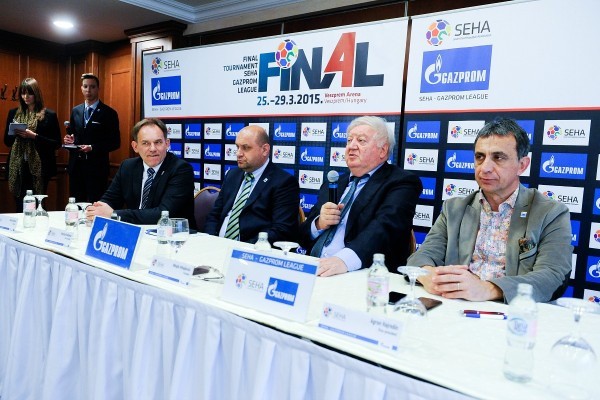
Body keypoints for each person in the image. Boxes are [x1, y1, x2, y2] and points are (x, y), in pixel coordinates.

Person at [408, 117, 572, 303]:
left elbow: (552, 275)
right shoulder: (454, 208)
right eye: (480, 157)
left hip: (512, 311)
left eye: (498, 157)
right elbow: (421, 256)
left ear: (522, 165)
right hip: (454, 307)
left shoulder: (550, 213)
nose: (485, 168)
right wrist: (429, 276)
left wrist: (488, 289)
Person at [299, 116, 422, 277]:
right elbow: (301, 236)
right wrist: (319, 223)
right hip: (314, 269)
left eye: (361, 141)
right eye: (349, 140)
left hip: (363, 275)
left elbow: (383, 229)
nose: (352, 146)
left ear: (383, 150)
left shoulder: (402, 182)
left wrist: (343, 261)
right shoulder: (334, 182)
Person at [85, 118, 195, 225]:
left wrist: (114, 215)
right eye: (146, 143)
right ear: (135, 147)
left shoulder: (181, 169)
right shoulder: (128, 167)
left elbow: (163, 214)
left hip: (173, 233)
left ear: (167, 144)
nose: (152, 149)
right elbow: (109, 200)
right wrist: (97, 210)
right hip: (135, 231)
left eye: (158, 142)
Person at [204, 125, 300, 244]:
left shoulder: (284, 182)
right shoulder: (232, 175)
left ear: (265, 150)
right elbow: (214, 215)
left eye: (245, 148)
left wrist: (240, 248)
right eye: (237, 147)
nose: (238, 153)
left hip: (251, 249)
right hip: (217, 246)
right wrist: (212, 241)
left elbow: (281, 230)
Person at [4, 77, 61, 212]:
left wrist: (34, 136)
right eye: (23, 93)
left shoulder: (49, 115)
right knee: (20, 204)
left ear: (36, 94)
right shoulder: (14, 113)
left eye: (29, 93)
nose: (26, 96)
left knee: (37, 204)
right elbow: (7, 142)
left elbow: (56, 143)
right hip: (18, 165)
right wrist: (15, 133)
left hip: (40, 167)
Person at [64, 73, 120, 203]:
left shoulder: (109, 113)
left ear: (98, 88)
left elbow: (115, 142)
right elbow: (74, 136)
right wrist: (70, 141)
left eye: (92, 87)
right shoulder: (76, 110)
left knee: (95, 204)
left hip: (97, 169)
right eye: (85, 86)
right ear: (81, 88)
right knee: (76, 205)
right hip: (76, 167)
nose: (88, 90)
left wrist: (93, 148)